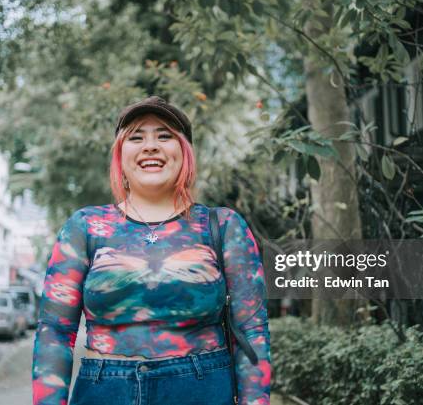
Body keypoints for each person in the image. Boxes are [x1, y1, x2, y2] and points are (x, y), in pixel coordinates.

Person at [31, 96, 271, 405]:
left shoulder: (224, 227)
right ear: (120, 154)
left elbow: (252, 331)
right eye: (136, 137)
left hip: (203, 391)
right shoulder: (85, 226)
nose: (150, 146)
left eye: (164, 135)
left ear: (184, 152)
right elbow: (54, 331)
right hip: (104, 392)